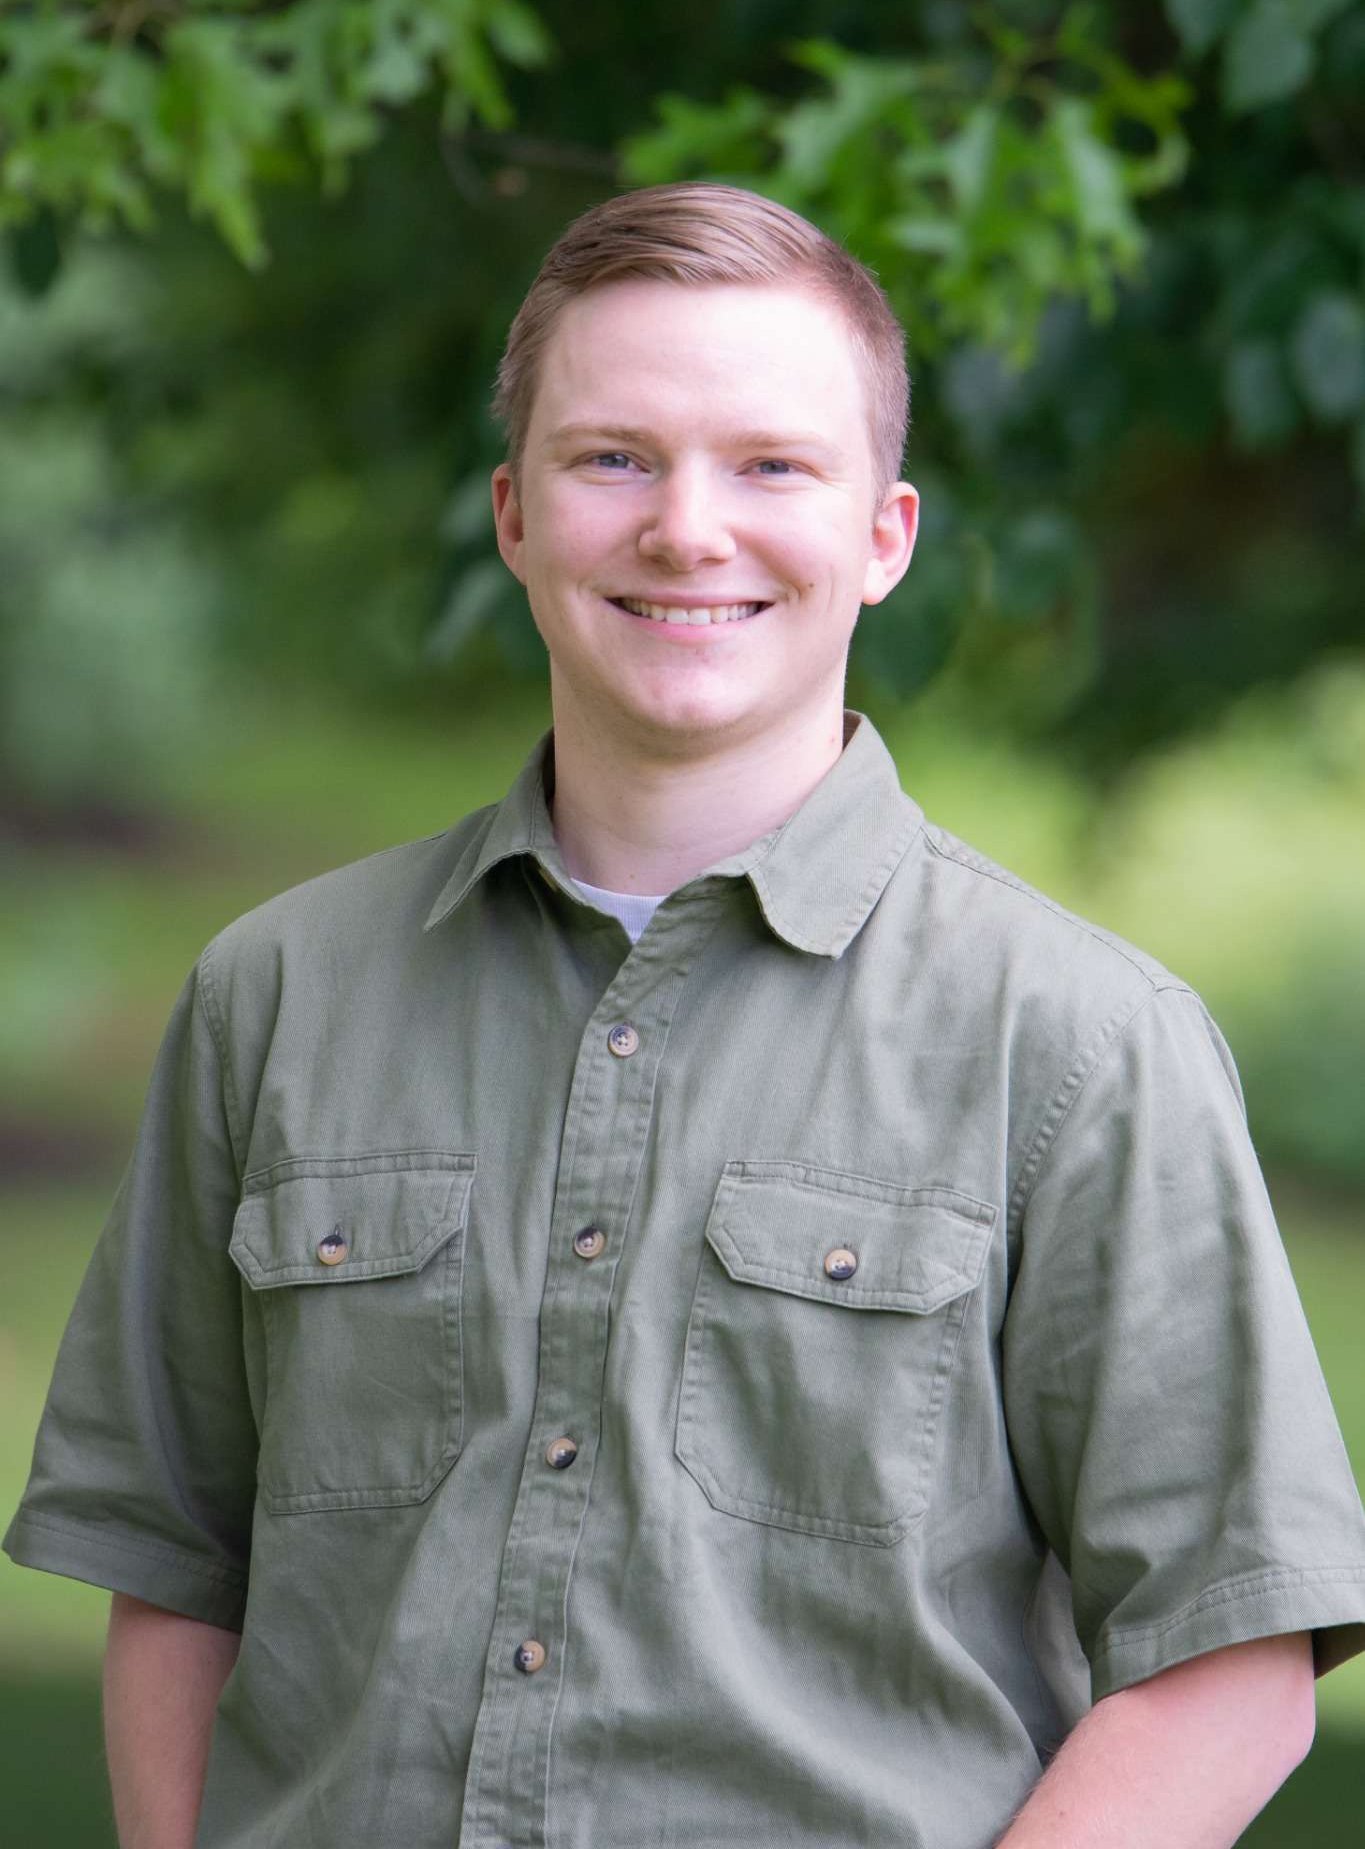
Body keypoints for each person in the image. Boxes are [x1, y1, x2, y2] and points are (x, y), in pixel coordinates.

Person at [7, 182, 1365, 1849]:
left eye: (771, 464)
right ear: (514, 515)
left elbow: (1232, 1661)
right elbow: (172, 1564)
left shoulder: (1077, 1046)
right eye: (614, 458)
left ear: (885, 535)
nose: (686, 529)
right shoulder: (274, 997)